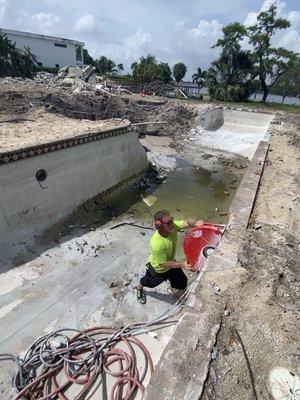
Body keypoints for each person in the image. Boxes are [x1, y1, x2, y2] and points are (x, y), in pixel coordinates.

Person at [136, 209, 204, 304]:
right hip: (159, 269)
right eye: (168, 222)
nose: (172, 224)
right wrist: (182, 265)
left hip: (171, 262)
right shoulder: (157, 243)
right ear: (159, 226)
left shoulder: (172, 227)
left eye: (171, 220)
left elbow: (187, 222)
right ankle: (139, 288)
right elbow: (163, 263)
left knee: (182, 282)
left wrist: (196, 223)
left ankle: (179, 293)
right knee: (148, 283)